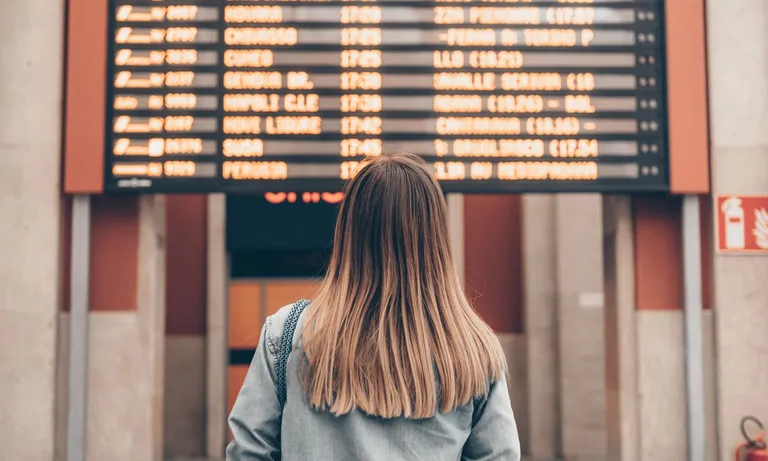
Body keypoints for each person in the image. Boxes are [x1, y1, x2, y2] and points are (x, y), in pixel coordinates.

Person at [227, 153, 520, 461]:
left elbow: (249, 452)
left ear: (348, 230)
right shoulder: (472, 348)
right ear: (436, 238)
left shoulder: (287, 334)